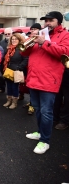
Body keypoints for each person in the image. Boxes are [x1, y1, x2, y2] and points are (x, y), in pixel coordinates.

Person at [23, 11, 69, 154]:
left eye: (51, 20)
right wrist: (30, 42)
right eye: (46, 20)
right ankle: (40, 132)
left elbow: (64, 53)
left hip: (49, 80)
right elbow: (24, 52)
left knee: (46, 111)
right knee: (37, 108)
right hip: (34, 78)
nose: (47, 23)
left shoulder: (64, 35)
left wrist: (45, 42)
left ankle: (45, 140)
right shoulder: (40, 33)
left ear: (59, 22)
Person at [2, 33, 28, 109]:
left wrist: (19, 67)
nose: (13, 40)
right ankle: (8, 101)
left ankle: (14, 102)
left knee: (15, 87)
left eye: (15, 39)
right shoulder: (9, 48)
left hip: (16, 70)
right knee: (9, 86)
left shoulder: (22, 48)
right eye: (12, 39)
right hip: (8, 70)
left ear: (19, 40)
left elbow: (26, 59)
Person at [0, 28, 13, 93]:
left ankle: (12, 92)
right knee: (2, 76)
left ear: (12, 34)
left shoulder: (14, 41)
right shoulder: (2, 42)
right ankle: (2, 88)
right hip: (3, 62)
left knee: (11, 78)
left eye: (8, 34)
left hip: (11, 62)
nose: (7, 35)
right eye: (5, 34)